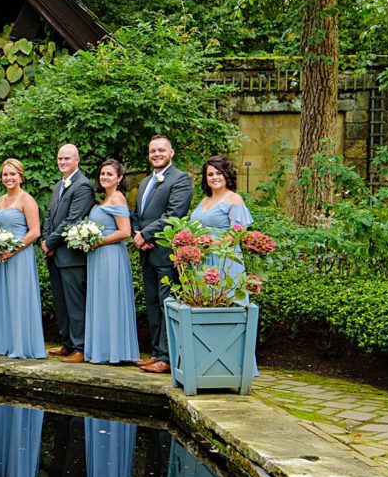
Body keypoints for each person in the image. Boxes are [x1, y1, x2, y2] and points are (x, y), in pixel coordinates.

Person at [191, 155, 259, 376]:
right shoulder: (204, 201)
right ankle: (209, 364)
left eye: (218, 173)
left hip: (225, 260)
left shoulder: (234, 200)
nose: (214, 177)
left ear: (227, 175)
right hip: (203, 263)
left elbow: (237, 233)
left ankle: (237, 366)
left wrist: (212, 243)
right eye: (210, 174)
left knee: (229, 307)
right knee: (205, 310)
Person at [132, 134, 194, 374]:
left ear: (171, 152)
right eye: (152, 151)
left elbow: (174, 214)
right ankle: (157, 352)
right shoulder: (145, 181)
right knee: (152, 304)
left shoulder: (180, 180)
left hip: (166, 253)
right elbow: (137, 214)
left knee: (167, 303)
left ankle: (168, 357)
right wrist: (139, 235)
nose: (156, 154)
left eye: (161, 150)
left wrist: (146, 234)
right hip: (147, 252)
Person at [40, 143, 95, 363]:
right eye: (60, 158)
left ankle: (80, 347)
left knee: (75, 304)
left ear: (77, 160)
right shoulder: (57, 186)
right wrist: (44, 239)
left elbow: (72, 221)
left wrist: (51, 242)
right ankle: (67, 343)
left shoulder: (83, 186)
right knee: (61, 303)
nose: (63, 162)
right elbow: (50, 217)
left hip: (71, 257)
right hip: (54, 254)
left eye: (67, 159)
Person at [83, 159, 140, 365]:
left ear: (119, 178)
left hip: (110, 256)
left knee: (111, 300)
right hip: (98, 256)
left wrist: (98, 241)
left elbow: (125, 232)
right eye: (102, 174)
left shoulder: (117, 199)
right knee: (101, 300)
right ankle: (102, 349)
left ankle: (115, 351)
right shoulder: (106, 198)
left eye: (109, 174)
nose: (104, 177)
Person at [0, 159, 46, 359]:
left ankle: (22, 344)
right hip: (2, 256)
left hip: (20, 256)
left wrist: (12, 249)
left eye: (12, 174)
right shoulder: (1, 199)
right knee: (5, 298)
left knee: (19, 297)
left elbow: (35, 232)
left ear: (21, 176)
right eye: (5, 174)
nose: (8, 178)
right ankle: (6, 342)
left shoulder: (26, 199)